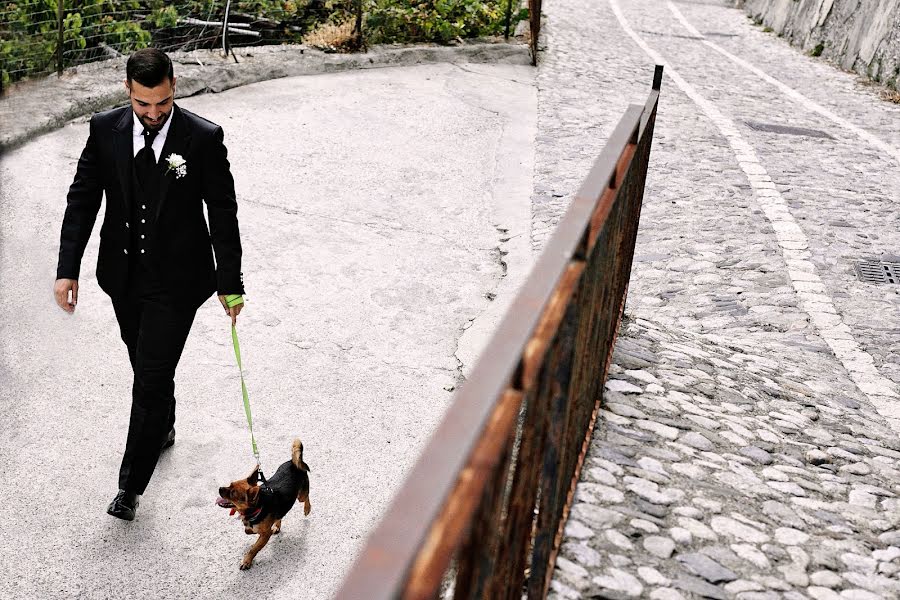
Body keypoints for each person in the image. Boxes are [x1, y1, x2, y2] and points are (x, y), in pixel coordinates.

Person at [53, 47, 245, 521]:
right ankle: (163, 424)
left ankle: (130, 487)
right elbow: (82, 201)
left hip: (178, 284)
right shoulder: (104, 130)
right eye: (143, 105)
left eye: (161, 103)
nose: (154, 114)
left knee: (150, 380)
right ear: (128, 92)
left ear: (173, 87)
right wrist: (67, 268)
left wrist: (230, 281)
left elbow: (222, 212)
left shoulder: (202, 138)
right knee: (145, 366)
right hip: (123, 278)